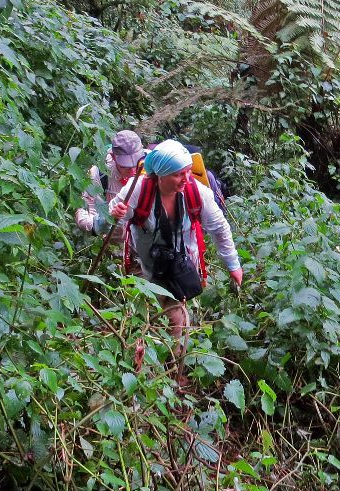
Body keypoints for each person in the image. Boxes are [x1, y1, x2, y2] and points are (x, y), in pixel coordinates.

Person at [110, 139, 243, 344]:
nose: (186, 179)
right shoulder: (138, 189)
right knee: (157, 317)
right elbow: (115, 211)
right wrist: (117, 212)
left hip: (180, 265)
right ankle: (162, 361)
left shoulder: (196, 192)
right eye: (178, 174)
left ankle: (167, 364)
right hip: (143, 264)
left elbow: (220, 228)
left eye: (188, 172)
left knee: (174, 318)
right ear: (161, 176)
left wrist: (233, 264)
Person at [75, 129, 144, 239]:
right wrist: (107, 219)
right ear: (113, 156)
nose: (132, 172)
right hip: (114, 246)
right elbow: (84, 218)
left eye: (136, 165)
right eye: (125, 166)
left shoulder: (154, 168)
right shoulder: (99, 174)